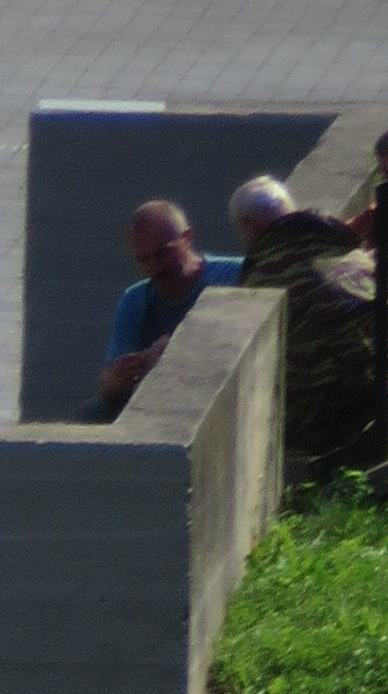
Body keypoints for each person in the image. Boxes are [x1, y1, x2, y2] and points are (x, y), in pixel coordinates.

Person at [229, 174, 381, 484]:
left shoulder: (262, 282)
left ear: (247, 227)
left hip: (315, 434)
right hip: (374, 412)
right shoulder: (359, 260)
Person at [96, 200, 237, 418]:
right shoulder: (135, 300)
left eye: (163, 253)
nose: (155, 266)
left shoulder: (233, 276)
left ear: (187, 239)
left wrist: (173, 355)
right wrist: (119, 377)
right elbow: (108, 384)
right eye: (144, 259)